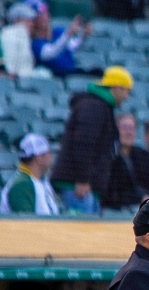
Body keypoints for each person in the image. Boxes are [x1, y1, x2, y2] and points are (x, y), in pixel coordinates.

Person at [52, 66, 134, 215]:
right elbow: (83, 144)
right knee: (79, 234)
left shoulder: (101, 106)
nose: (127, 97)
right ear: (117, 88)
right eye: (127, 91)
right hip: (79, 186)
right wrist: (82, 179)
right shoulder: (94, 106)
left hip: (88, 186)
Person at [105, 113, 149, 211]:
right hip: (118, 210)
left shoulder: (142, 155)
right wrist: (141, 199)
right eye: (124, 127)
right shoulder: (108, 156)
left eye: (132, 128)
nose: (128, 132)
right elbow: (111, 192)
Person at [0, 133, 60, 216]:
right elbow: (26, 224)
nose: (51, 158)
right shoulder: (21, 185)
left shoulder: (42, 182)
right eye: (49, 153)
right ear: (39, 158)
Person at [29, 2, 91, 77]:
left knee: (97, 72)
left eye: (45, 14)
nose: (44, 18)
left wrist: (83, 36)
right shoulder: (35, 43)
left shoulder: (58, 32)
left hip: (72, 71)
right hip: (57, 76)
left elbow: (72, 46)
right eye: (40, 15)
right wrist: (69, 33)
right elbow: (51, 53)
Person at [0, 3, 51, 79]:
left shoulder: (23, 35)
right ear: (16, 20)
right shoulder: (11, 33)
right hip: (19, 79)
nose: (31, 24)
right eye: (27, 20)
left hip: (25, 78)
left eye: (31, 21)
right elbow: (10, 67)